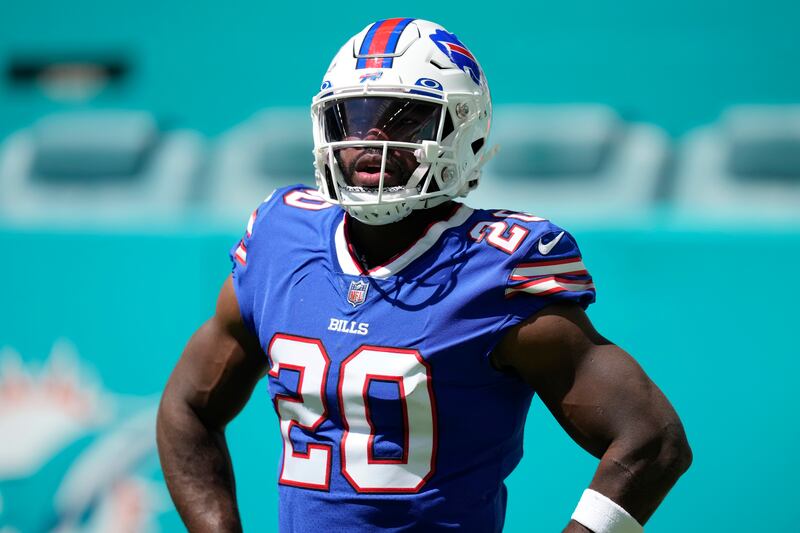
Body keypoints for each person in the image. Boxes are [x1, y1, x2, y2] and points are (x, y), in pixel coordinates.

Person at [156, 18, 691, 533]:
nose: (372, 138)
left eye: (405, 118)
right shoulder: (281, 239)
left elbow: (652, 439)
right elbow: (188, 408)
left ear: (464, 132)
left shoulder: (496, 271)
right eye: (355, 117)